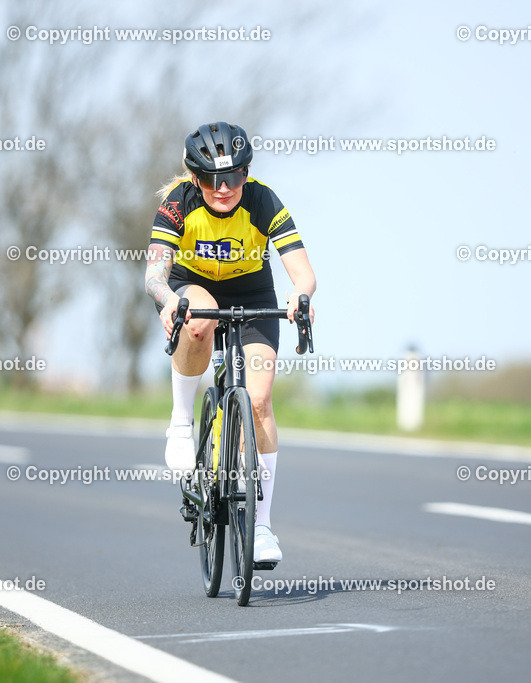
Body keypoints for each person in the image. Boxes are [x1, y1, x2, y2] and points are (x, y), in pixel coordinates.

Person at [144, 121, 316, 565]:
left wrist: (300, 297)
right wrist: (167, 301)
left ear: (246, 173)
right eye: (211, 180)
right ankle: (181, 420)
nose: (223, 189)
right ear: (194, 177)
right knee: (198, 320)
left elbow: (303, 272)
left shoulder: (262, 200)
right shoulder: (179, 202)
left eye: (234, 177)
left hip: (252, 295)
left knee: (258, 402)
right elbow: (154, 275)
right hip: (193, 287)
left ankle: (261, 527)